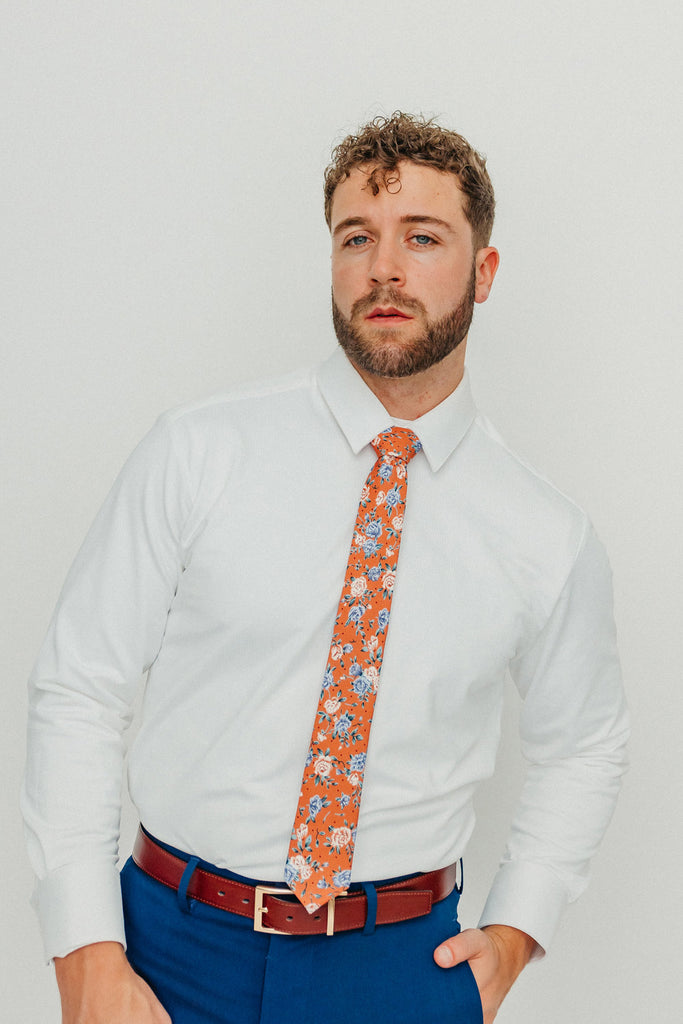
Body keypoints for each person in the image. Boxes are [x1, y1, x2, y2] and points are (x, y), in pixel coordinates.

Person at [22, 112, 629, 1024]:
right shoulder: (199, 451)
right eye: (356, 238)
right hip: (166, 950)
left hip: (398, 968)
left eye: (422, 238)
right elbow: (80, 687)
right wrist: (84, 952)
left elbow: (583, 742)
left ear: (483, 271)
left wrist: (514, 934)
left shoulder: (545, 532)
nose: (384, 268)